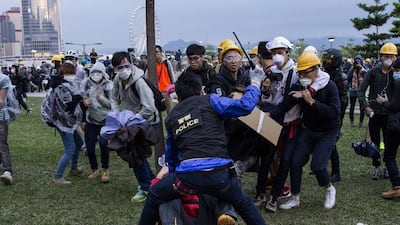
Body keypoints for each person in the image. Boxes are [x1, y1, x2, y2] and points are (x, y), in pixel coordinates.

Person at [138, 67, 267, 225]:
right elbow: (246, 106)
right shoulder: (212, 100)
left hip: (188, 178)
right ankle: (226, 215)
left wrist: (174, 179)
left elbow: (171, 157)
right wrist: (255, 82)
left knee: (155, 194)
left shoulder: (172, 117)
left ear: (178, 96)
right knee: (243, 203)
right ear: (201, 91)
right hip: (221, 177)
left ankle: (174, 218)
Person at [264, 36, 329, 212]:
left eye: (280, 52)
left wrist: (308, 91)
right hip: (275, 120)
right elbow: (272, 98)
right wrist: (265, 89)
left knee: (287, 160)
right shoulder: (271, 71)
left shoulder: (297, 71)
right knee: (269, 157)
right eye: (274, 53)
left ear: (288, 53)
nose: (277, 56)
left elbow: (323, 77)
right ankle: (263, 192)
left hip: (292, 123)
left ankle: (275, 196)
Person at [276, 52, 340, 210]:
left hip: (328, 131)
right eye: (300, 72)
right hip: (308, 129)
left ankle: (329, 188)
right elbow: (286, 103)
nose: (302, 75)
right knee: (295, 162)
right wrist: (270, 114)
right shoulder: (299, 85)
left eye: (305, 72)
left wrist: (312, 102)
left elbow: (334, 113)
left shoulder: (329, 86)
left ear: (316, 70)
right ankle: (295, 197)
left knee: (318, 166)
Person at [110, 51, 158, 202]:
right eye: (119, 67)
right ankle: (151, 183)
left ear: (131, 63)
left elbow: (149, 107)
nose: (124, 70)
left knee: (135, 156)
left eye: (126, 65)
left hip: (145, 122)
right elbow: (114, 98)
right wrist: (117, 114)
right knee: (136, 156)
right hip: (131, 121)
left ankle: (146, 187)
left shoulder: (139, 82)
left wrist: (133, 120)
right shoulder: (118, 79)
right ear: (115, 69)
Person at [358, 42, 397, 180]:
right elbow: (361, 90)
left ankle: (388, 166)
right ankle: (376, 166)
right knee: (374, 142)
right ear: (381, 57)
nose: (389, 59)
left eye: (391, 56)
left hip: (390, 115)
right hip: (374, 113)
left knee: (389, 142)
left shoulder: (396, 74)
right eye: (386, 56)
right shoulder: (373, 72)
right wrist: (365, 107)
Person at [43, 61, 84, 184]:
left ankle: (74, 168)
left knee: (79, 142)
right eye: (68, 73)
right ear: (62, 73)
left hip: (67, 122)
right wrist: (80, 99)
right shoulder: (61, 87)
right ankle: (58, 176)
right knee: (70, 149)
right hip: (63, 122)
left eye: (72, 72)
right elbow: (66, 106)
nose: (71, 75)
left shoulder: (63, 85)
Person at [80, 62, 113, 183]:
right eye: (94, 73)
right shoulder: (85, 84)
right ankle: (94, 168)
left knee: (104, 145)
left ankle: (105, 169)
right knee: (89, 146)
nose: (96, 75)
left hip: (105, 119)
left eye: (99, 73)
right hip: (91, 120)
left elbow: (113, 105)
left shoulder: (109, 86)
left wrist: (101, 98)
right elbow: (81, 100)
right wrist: (84, 103)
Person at [321, 48, 349, 183]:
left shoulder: (341, 77)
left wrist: (338, 117)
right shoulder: (326, 73)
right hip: (326, 112)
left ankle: (336, 172)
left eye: (329, 59)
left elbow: (343, 100)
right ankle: (321, 166)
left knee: (331, 144)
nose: (326, 61)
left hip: (335, 115)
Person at [376, 58, 400, 198]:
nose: (395, 74)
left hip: (396, 126)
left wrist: (384, 102)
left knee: (389, 157)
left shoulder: (399, 84)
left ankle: (396, 187)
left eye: (397, 71)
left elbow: (395, 106)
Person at [0, 72, 15, 185]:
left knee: (2, 144)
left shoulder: (3, 79)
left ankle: (7, 171)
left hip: (0, 117)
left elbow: (1, 102)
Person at [348, 54, 367, 128]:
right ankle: (351, 122)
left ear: (361, 62)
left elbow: (366, 78)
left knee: (362, 107)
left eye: (359, 61)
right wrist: (353, 68)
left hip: (361, 90)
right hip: (352, 89)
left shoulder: (363, 69)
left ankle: (361, 122)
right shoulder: (351, 69)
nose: (357, 63)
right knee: (352, 106)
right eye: (356, 61)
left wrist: (361, 68)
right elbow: (349, 78)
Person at [155, 45, 175, 113]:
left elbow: (172, 75)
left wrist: (173, 88)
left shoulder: (166, 63)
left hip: (167, 91)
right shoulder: (152, 65)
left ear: (161, 52)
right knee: (157, 112)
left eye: (157, 52)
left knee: (170, 111)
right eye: (154, 52)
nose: (155, 54)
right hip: (157, 92)